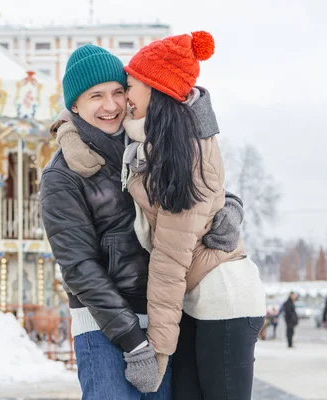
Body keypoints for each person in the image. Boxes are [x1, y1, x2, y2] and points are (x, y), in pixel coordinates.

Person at [54, 33, 266, 400]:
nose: (112, 105)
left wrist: (231, 207)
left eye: (119, 91)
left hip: (173, 312)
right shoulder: (64, 174)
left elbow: (194, 186)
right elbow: (78, 267)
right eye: (95, 97)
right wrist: (135, 343)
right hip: (112, 323)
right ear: (74, 107)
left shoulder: (144, 138)